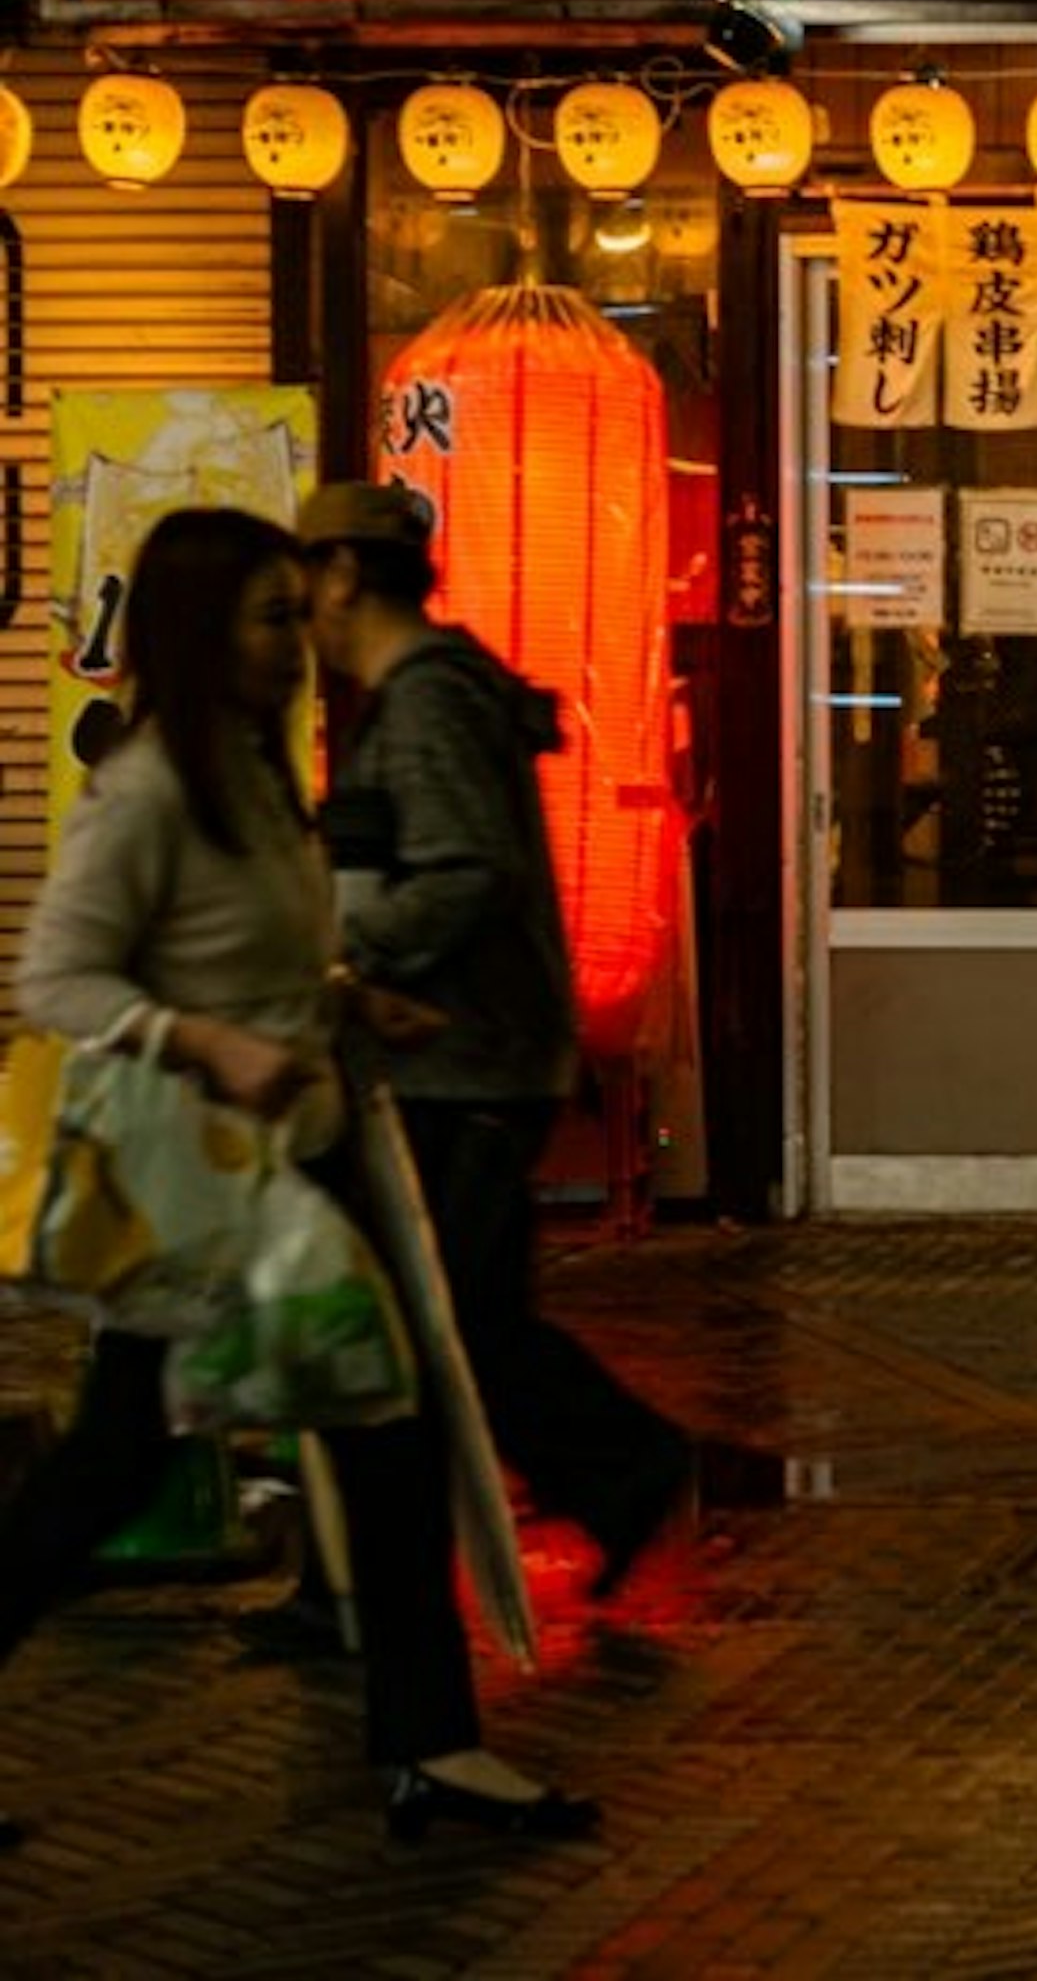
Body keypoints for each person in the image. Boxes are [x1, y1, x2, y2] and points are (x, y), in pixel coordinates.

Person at [4, 507, 595, 1846]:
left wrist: (338, 999)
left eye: (299, 610)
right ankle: (431, 1749)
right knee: (109, 1472)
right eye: (273, 617)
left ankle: (431, 1749)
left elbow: (254, 949)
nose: (299, 640)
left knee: (378, 1448)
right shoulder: (152, 785)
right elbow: (57, 978)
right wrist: (211, 1037)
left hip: (291, 1171)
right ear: (204, 630)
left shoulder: (258, 774)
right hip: (201, 1192)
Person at [296, 481, 693, 1603]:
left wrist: (349, 954)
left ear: (340, 577)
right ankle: (607, 1474)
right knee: (453, 1311)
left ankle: (620, 1469)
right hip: (474, 1055)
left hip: (463, 1058)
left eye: (305, 588)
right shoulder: (439, 691)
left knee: (448, 1316)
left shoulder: (425, 704)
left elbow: (467, 871)